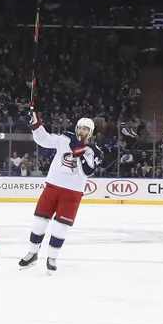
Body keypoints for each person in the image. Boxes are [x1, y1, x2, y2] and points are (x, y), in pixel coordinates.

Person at [19, 112, 99, 274]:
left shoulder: (93, 150)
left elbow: (88, 171)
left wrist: (80, 154)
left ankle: (52, 258)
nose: (82, 131)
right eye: (80, 128)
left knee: (60, 227)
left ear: (90, 131)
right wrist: (35, 125)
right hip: (53, 186)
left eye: (85, 129)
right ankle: (32, 253)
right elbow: (44, 139)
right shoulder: (65, 139)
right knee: (39, 222)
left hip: (72, 193)